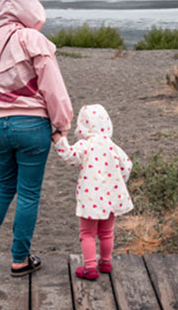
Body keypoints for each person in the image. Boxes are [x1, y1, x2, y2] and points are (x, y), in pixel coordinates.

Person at [0, 0, 72, 276]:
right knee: (28, 193)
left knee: (3, 186)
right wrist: (61, 124)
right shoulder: (32, 39)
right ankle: (19, 258)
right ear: (29, 5)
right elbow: (53, 87)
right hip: (32, 125)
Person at [53, 104, 133, 280]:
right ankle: (105, 262)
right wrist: (119, 182)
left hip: (91, 197)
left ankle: (90, 267)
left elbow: (70, 156)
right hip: (112, 196)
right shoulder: (112, 146)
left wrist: (59, 140)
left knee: (87, 234)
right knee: (107, 232)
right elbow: (127, 165)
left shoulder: (85, 144)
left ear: (83, 126)